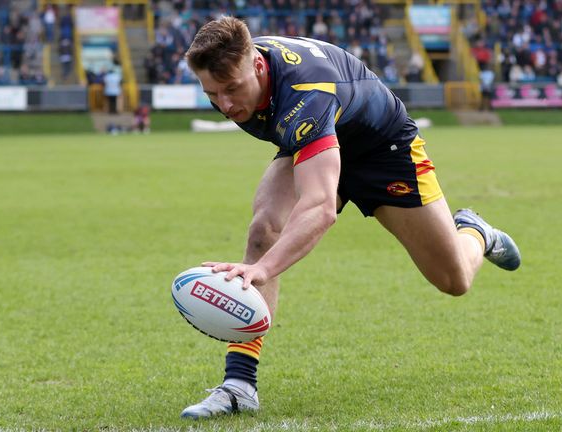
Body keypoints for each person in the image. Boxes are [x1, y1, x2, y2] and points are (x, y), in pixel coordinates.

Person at [180, 16, 521, 419]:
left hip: (383, 151)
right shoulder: (244, 63)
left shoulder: (306, 92)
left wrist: (264, 271)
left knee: (454, 280)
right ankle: (240, 385)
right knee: (264, 229)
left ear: (257, 66)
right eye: (212, 94)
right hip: (319, 138)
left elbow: (320, 209)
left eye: (232, 90)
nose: (226, 105)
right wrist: (262, 261)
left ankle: (475, 233)